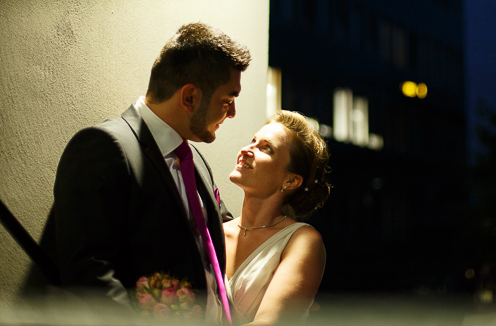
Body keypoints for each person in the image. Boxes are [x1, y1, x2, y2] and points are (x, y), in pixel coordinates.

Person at [52, 22, 251, 322]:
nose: (232, 113)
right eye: (227, 100)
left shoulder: (195, 161)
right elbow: (89, 275)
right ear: (189, 97)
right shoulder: (104, 147)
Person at [224, 110, 331, 325]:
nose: (246, 150)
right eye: (253, 141)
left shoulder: (302, 241)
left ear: (291, 181)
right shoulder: (215, 232)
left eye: (266, 148)